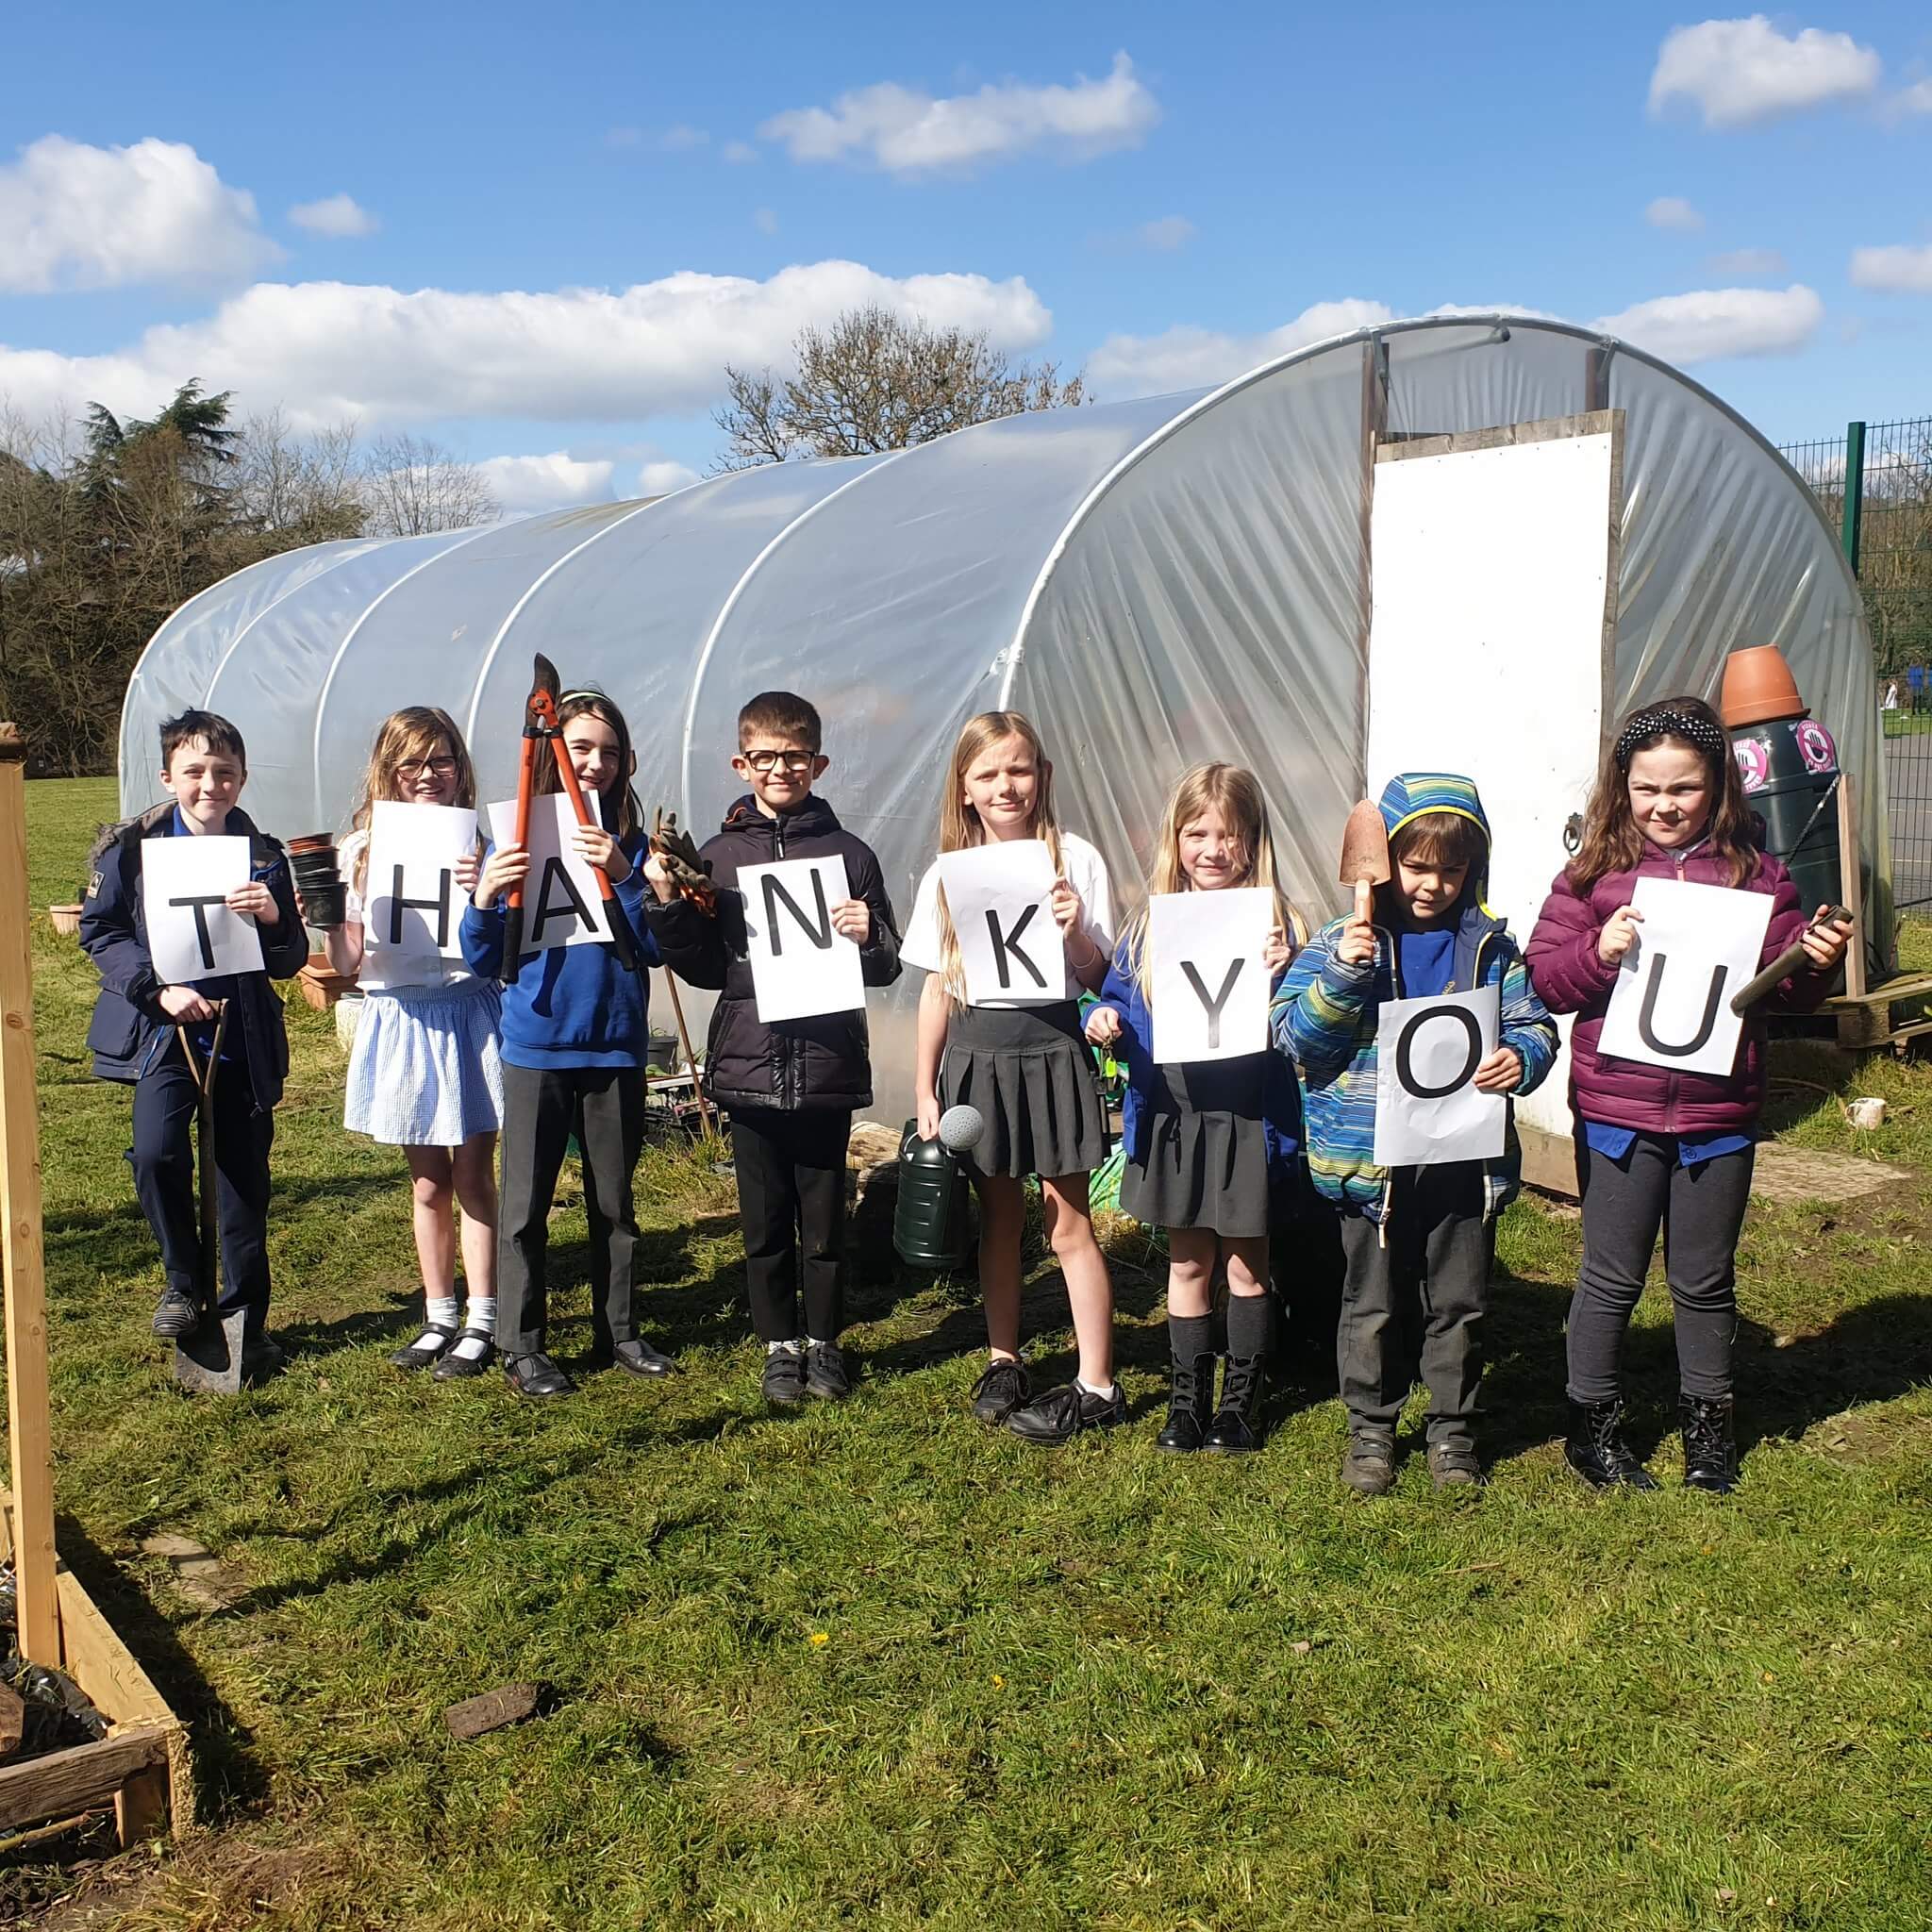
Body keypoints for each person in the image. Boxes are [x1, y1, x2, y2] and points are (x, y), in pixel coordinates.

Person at [1526, 698, 1850, 1493]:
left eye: (1684, 788)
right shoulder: (1592, 875)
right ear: (1621, 788)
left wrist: (1815, 960)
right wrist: (1598, 951)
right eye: (1647, 790)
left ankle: (1710, 1432)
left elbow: (1788, 995)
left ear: (1719, 788)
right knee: (1610, 1276)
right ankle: (1591, 1428)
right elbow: (1545, 977)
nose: (1665, 806)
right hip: (1616, 1113)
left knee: (1704, 1280)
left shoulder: (1758, 877)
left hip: (1718, 1115)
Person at [1274, 774, 1557, 1492]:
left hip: (1462, 1162)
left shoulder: (1491, 949)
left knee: (1459, 1302)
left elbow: (1535, 1026)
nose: (1433, 884)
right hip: (1373, 1167)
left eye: (1453, 869)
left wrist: (1518, 1058)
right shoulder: (1343, 943)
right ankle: (1371, 1430)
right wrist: (1344, 974)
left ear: (1474, 869)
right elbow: (1298, 1040)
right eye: (1417, 865)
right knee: (1370, 1304)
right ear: (1387, 861)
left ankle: (1452, 1432)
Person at [641, 691, 901, 1406]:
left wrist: (867, 934)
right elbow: (701, 969)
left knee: (823, 1221)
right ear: (741, 763)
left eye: (794, 756)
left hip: (825, 1064)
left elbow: (887, 966)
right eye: (765, 757)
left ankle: (826, 1344)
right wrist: (667, 905)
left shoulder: (850, 854)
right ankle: (778, 1345)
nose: (779, 769)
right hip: (748, 1067)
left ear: (817, 763)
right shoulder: (719, 858)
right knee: (763, 1223)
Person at [903, 711, 1120, 1442]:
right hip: (976, 1055)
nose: (1007, 786)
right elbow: (938, 987)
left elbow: (1099, 976)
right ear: (964, 788)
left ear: (1043, 775)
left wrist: (1076, 932)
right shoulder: (946, 873)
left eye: (1019, 770)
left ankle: (1097, 1381)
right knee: (999, 1216)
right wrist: (925, 1087)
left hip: (1052, 1048)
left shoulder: (1077, 859)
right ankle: (1005, 1359)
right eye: (989, 774)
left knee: (1068, 1223)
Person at [79, 708, 308, 1377]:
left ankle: (245, 1322)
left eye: (225, 772)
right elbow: (102, 931)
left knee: (243, 1183)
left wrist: (271, 918)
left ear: (242, 777)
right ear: (168, 776)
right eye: (196, 772)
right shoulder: (130, 849)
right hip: (166, 1033)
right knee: (155, 1154)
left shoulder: (264, 855)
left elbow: (290, 956)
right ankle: (182, 1282)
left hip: (241, 1035)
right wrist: (157, 989)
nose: (211, 785)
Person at [1084, 764, 1302, 1454]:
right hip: (1176, 1118)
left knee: (1246, 1266)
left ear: (1254, 841)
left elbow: (1307, 1022)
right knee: (1187, 1265)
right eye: (1197, 833)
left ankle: (1241, 1401)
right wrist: (1104, 1019)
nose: (1213, 849)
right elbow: (1117, 997)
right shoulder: (1149, 925)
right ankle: (1187, 1401)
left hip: (1246, 1119)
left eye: (1229, 835)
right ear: (1175, 840)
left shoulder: (1280, 927)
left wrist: (1288, 971)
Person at [460, 688, 669, 1398]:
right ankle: (524, 1344)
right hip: (537, 1044)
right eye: (581, 747)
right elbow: (487, 957)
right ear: (553, 752)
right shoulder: (515, 835)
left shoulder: (633, 845)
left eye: (609, 752)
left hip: (613, 1045)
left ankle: (622, 1330)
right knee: (524, 1207)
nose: (596, 763)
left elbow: (653, 948)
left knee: (615, 1203)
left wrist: (625, 875)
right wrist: (486, 896)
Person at [308, 708, 503, 1380]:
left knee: (474, 1173)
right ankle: (438, 1312)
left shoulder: (482, 838)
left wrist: (485, 892)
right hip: (403, 1016)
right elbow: (348, 958)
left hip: (468, 1010)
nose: (428, 775)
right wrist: (334, 909)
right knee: (427, 1181)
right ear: (389, 770)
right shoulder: (362, 848)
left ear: (460, 766)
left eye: (441, 760)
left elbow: (504, 940)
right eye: (412, 763)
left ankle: (484, 1316)